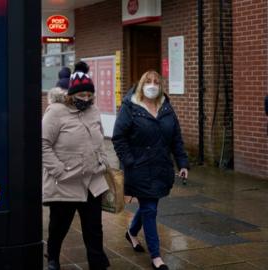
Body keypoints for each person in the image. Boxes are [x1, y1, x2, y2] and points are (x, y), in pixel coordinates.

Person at [112, 70, 189, 270]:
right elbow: (119, 137)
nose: (152, 85)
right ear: (141, 85)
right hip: (139, 167)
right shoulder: (131, 107)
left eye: (156, 81)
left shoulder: (166, 107)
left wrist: (182, 163)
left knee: (149, 205)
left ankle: (131, 232)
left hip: (161, 167)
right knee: (150, 209)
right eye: (148, 81)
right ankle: (156, 256)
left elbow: (176, 139)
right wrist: (130, 161)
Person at [42, 61, 110, 270]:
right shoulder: (55, 112)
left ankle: (97, 262)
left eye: (90, 96)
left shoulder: (94, 111)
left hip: (92, 180)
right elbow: (43, 144)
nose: (86, 99)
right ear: (71, 94)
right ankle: (53, 257)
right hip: (65, 181)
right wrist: (59, 171)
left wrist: (103, 161)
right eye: (82, 96)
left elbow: (99, 139)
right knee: (59, 226)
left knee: (94, 229)